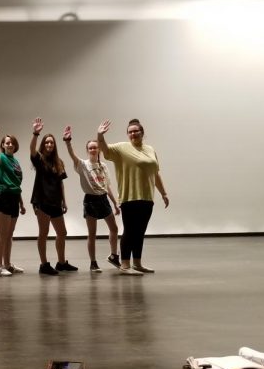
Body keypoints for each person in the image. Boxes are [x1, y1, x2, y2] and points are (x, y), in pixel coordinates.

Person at [97, 118, 169, 274]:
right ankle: (124, 265)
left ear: (142, 132)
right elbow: (105, 149)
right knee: (130, 231)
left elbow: (155, 173)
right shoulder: (122, 148)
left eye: (136, 131)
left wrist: (163, 193)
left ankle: (137, 263)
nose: (133, 134)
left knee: (140, 231)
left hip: (147, 197)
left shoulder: (150, 149)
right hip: (129, 197)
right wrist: (100, 135)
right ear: (127, 134)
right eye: (130, 132)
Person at [64, 126, 122, 274]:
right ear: (87, 150)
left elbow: (107, 186)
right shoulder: (83, 165)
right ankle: (93, 263)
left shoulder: (103, 166)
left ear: (99, 150)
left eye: (95, 147)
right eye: (90, 148)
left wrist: (115, 204)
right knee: (92, 234)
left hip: (103, 199)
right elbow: (72, 155)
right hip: (90, 200)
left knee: (114, 228)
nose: (93, 150)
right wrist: (68, 142)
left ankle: (114, 255)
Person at [29, 117, 71, 276]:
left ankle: (61, 263)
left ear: (54, 145)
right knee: (43, 233)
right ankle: (44, 264)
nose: (49, 144)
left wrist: (64, 202)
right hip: (41, 201)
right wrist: (35, 133)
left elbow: (61, 184)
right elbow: (32, 150)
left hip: (55, 202)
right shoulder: (39, 159)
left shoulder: (59, 162)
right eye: (46, 142)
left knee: (62, 232)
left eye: (51, 142)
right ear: (43, 144)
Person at [0, 122, 26, 276]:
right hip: (2, 196)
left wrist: (21, 204)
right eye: (7, 143)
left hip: (14, 197)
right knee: (2, 234)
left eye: (12, 143)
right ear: (3, 145)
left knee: (9, 234)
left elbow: (16, 184)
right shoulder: (1, 158)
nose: (10, 144)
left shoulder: (15, 162)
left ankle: (7, 264)